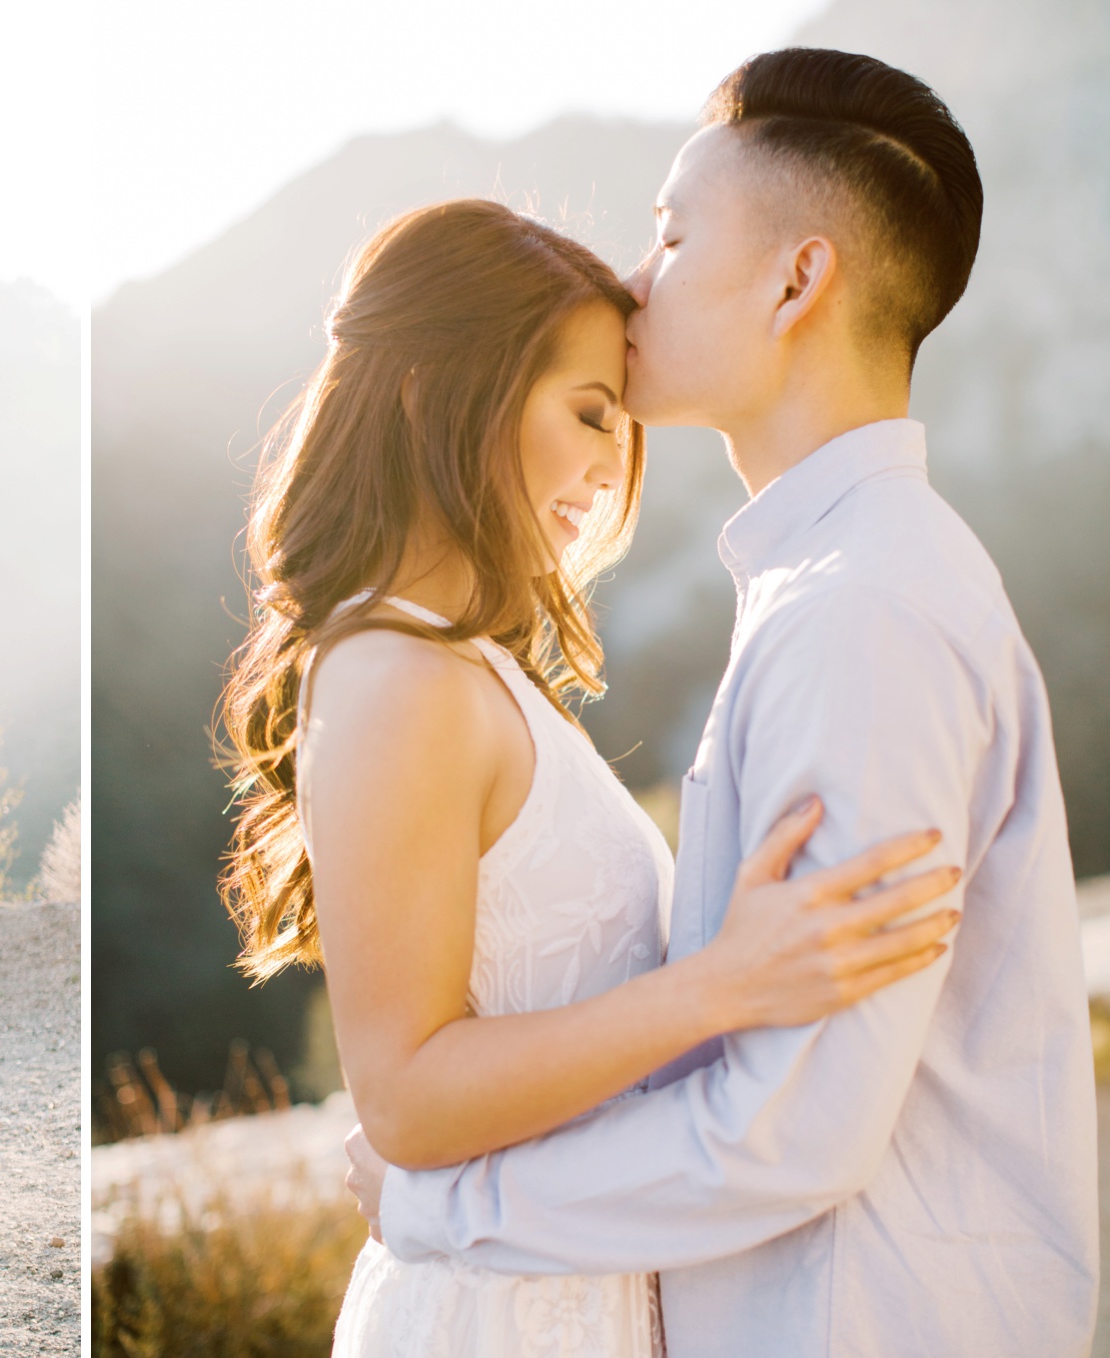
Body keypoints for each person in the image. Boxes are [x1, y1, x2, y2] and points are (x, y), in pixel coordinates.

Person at [339, 49, 1096, 1357]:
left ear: (797, 281)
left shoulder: (861, 608)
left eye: (674, 236)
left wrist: (441, 1206)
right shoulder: (841, 581)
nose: (636, 281)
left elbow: (789, 1127)